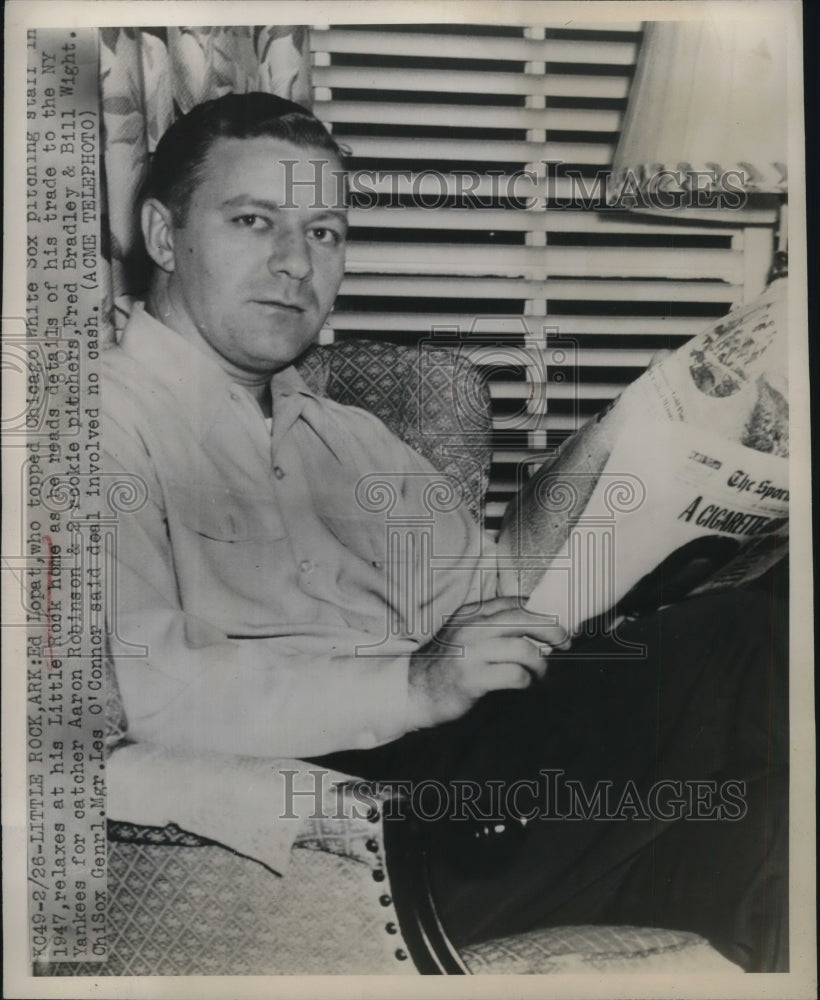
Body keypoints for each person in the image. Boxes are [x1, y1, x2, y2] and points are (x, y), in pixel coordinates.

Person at [103, 92, 787, 973]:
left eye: (324, 232)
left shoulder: (351, 439)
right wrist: (416, 682)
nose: (293, 263)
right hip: (339, 821)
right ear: (164, 237)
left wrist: (627, 452)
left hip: (477, 777)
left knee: (764, 699)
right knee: (740, 647)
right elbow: (147, 694)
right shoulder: (94, 427)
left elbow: (493, 596)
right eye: (253, 220)